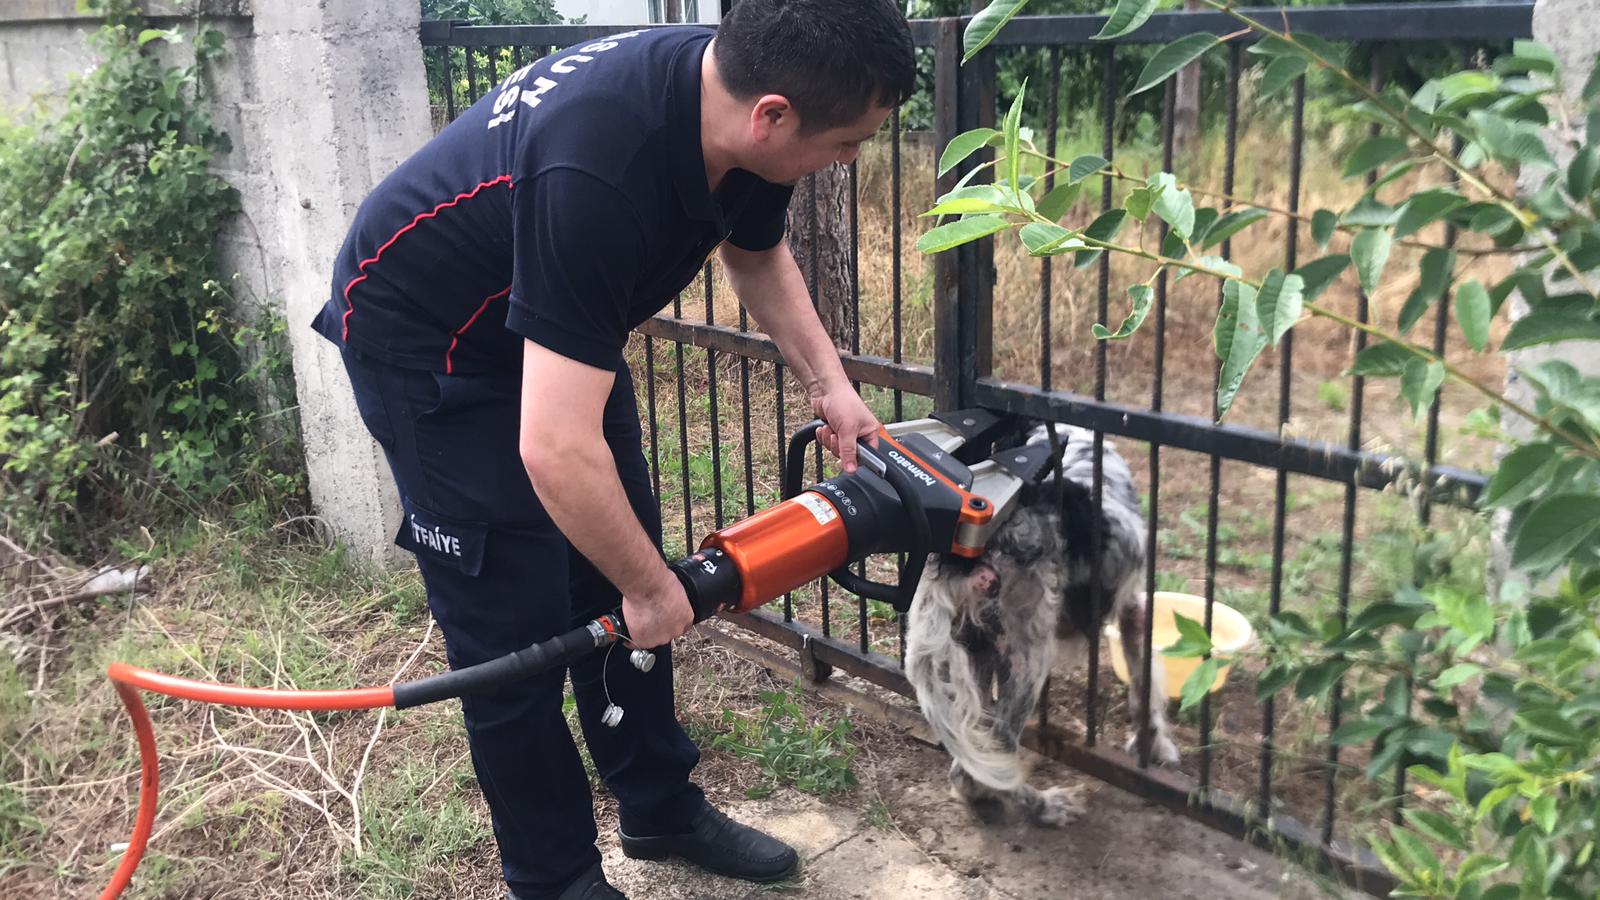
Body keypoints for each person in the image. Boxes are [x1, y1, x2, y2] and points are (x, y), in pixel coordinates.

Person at [311, 1, 916, 898]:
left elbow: (754, 253)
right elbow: (555, 447)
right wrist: (647, 586)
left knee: (615, 563)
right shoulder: (601, 168)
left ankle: (658, 807)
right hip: (429, 347)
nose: (853, 160)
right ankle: (554, 880)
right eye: (850, 143)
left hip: (548, 328)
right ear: (773, 116)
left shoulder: (737, 105)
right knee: (511, 636)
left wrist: (829, 383)